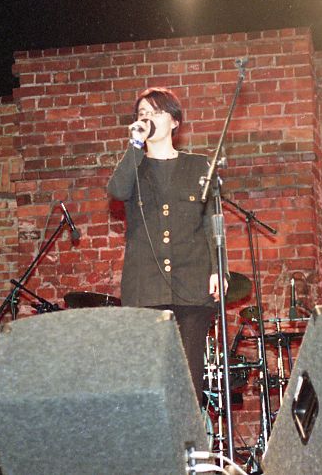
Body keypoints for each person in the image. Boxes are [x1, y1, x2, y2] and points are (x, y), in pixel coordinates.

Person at [107, 87, 226, 404]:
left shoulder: (200, 167)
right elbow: (117, 191)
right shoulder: (134, 168)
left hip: (192, 286)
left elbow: (212, 222)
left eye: (156, 112)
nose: (147, 118)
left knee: (188, 383)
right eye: (142, 113)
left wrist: (219, 269)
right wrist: (134, 146)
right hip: (145, 289)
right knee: (150, 382)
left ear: (174, 121)